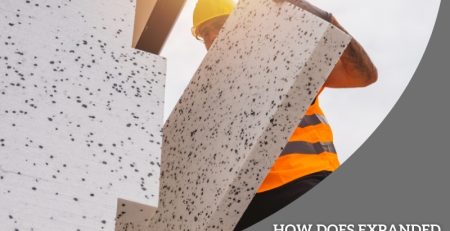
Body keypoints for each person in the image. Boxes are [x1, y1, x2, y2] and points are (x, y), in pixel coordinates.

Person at [192, 0, 378, 230]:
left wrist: (317, 14)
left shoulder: (285, 65)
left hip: (303, 181)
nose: (211, 37)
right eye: (204, 33)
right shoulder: (207, 99)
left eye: (220, 25)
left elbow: (363, 75)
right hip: (244, 207)